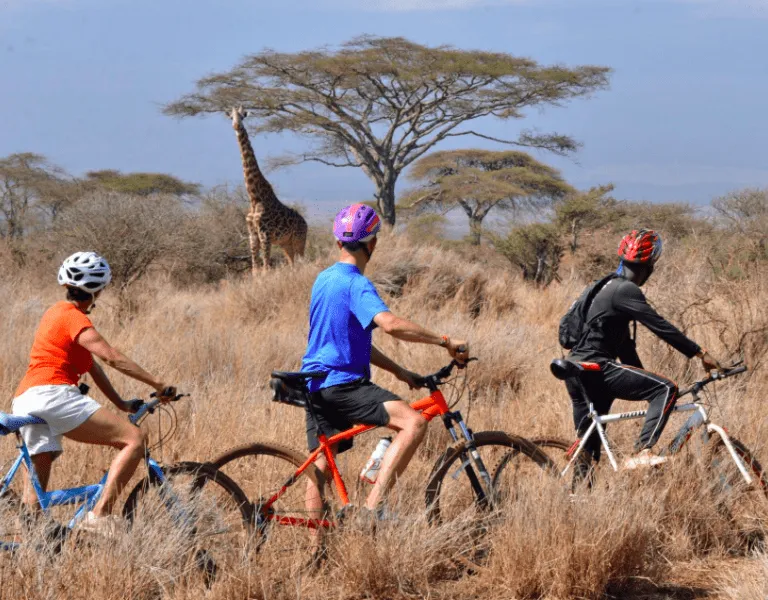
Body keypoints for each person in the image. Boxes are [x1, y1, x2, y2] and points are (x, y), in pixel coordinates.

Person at [301, 204, 469, 524]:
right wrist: (445, 341)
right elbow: (390, 324)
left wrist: (400, 372)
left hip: (314, 383)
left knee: (322, 465)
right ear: (372, 244)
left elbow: (349, 339)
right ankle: (371, 511)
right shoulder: (356, 283)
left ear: (339, 243)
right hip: (342, 384)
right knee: (414, 423)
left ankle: (315, 550)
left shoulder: (323, 279)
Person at [12, 251, 176, 533]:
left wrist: (122, 403)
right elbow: (111, 357)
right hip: (53, 395)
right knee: (135, 440)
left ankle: (34, 538)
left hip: (26, 398)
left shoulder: (55, 313)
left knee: (38, 483)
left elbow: (94, 367)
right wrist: (158, 384)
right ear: (98, 290)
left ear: (67, 285)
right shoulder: (73, 317)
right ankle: (100, 514)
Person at [565, 229, 721, 477]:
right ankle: (642, 452)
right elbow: (660, 326)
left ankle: (577, 499)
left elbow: (625, 348)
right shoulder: (626, 290)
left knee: (589, 452)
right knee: (665, 388)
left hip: (575, 368)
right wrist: (700, 353)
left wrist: (644, 377)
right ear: (649, 266)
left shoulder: (603, 287)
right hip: (596, 366)